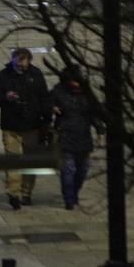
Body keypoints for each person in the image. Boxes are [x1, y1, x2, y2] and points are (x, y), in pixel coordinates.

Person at [0, 47, 51, 209]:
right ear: (13, 60)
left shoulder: (36, 75)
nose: (21, 65)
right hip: (11, 126)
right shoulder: (4, 75)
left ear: (29, 61)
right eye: (18, 62)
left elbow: (45, 98)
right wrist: (6, 97)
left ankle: (26, 193)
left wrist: (46, 121)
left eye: (24, 62)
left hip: (32, 126)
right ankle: (14, 193)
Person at [50, 65, 101, 210]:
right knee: (68, 169)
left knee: (82, 169)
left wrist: (100, 130)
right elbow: (47, 102)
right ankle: (69, 198)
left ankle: (74, 193)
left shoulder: (86, 93)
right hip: (65, 135)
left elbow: (93, 113)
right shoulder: (58, 91)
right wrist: (52, 108)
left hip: (83, 135)